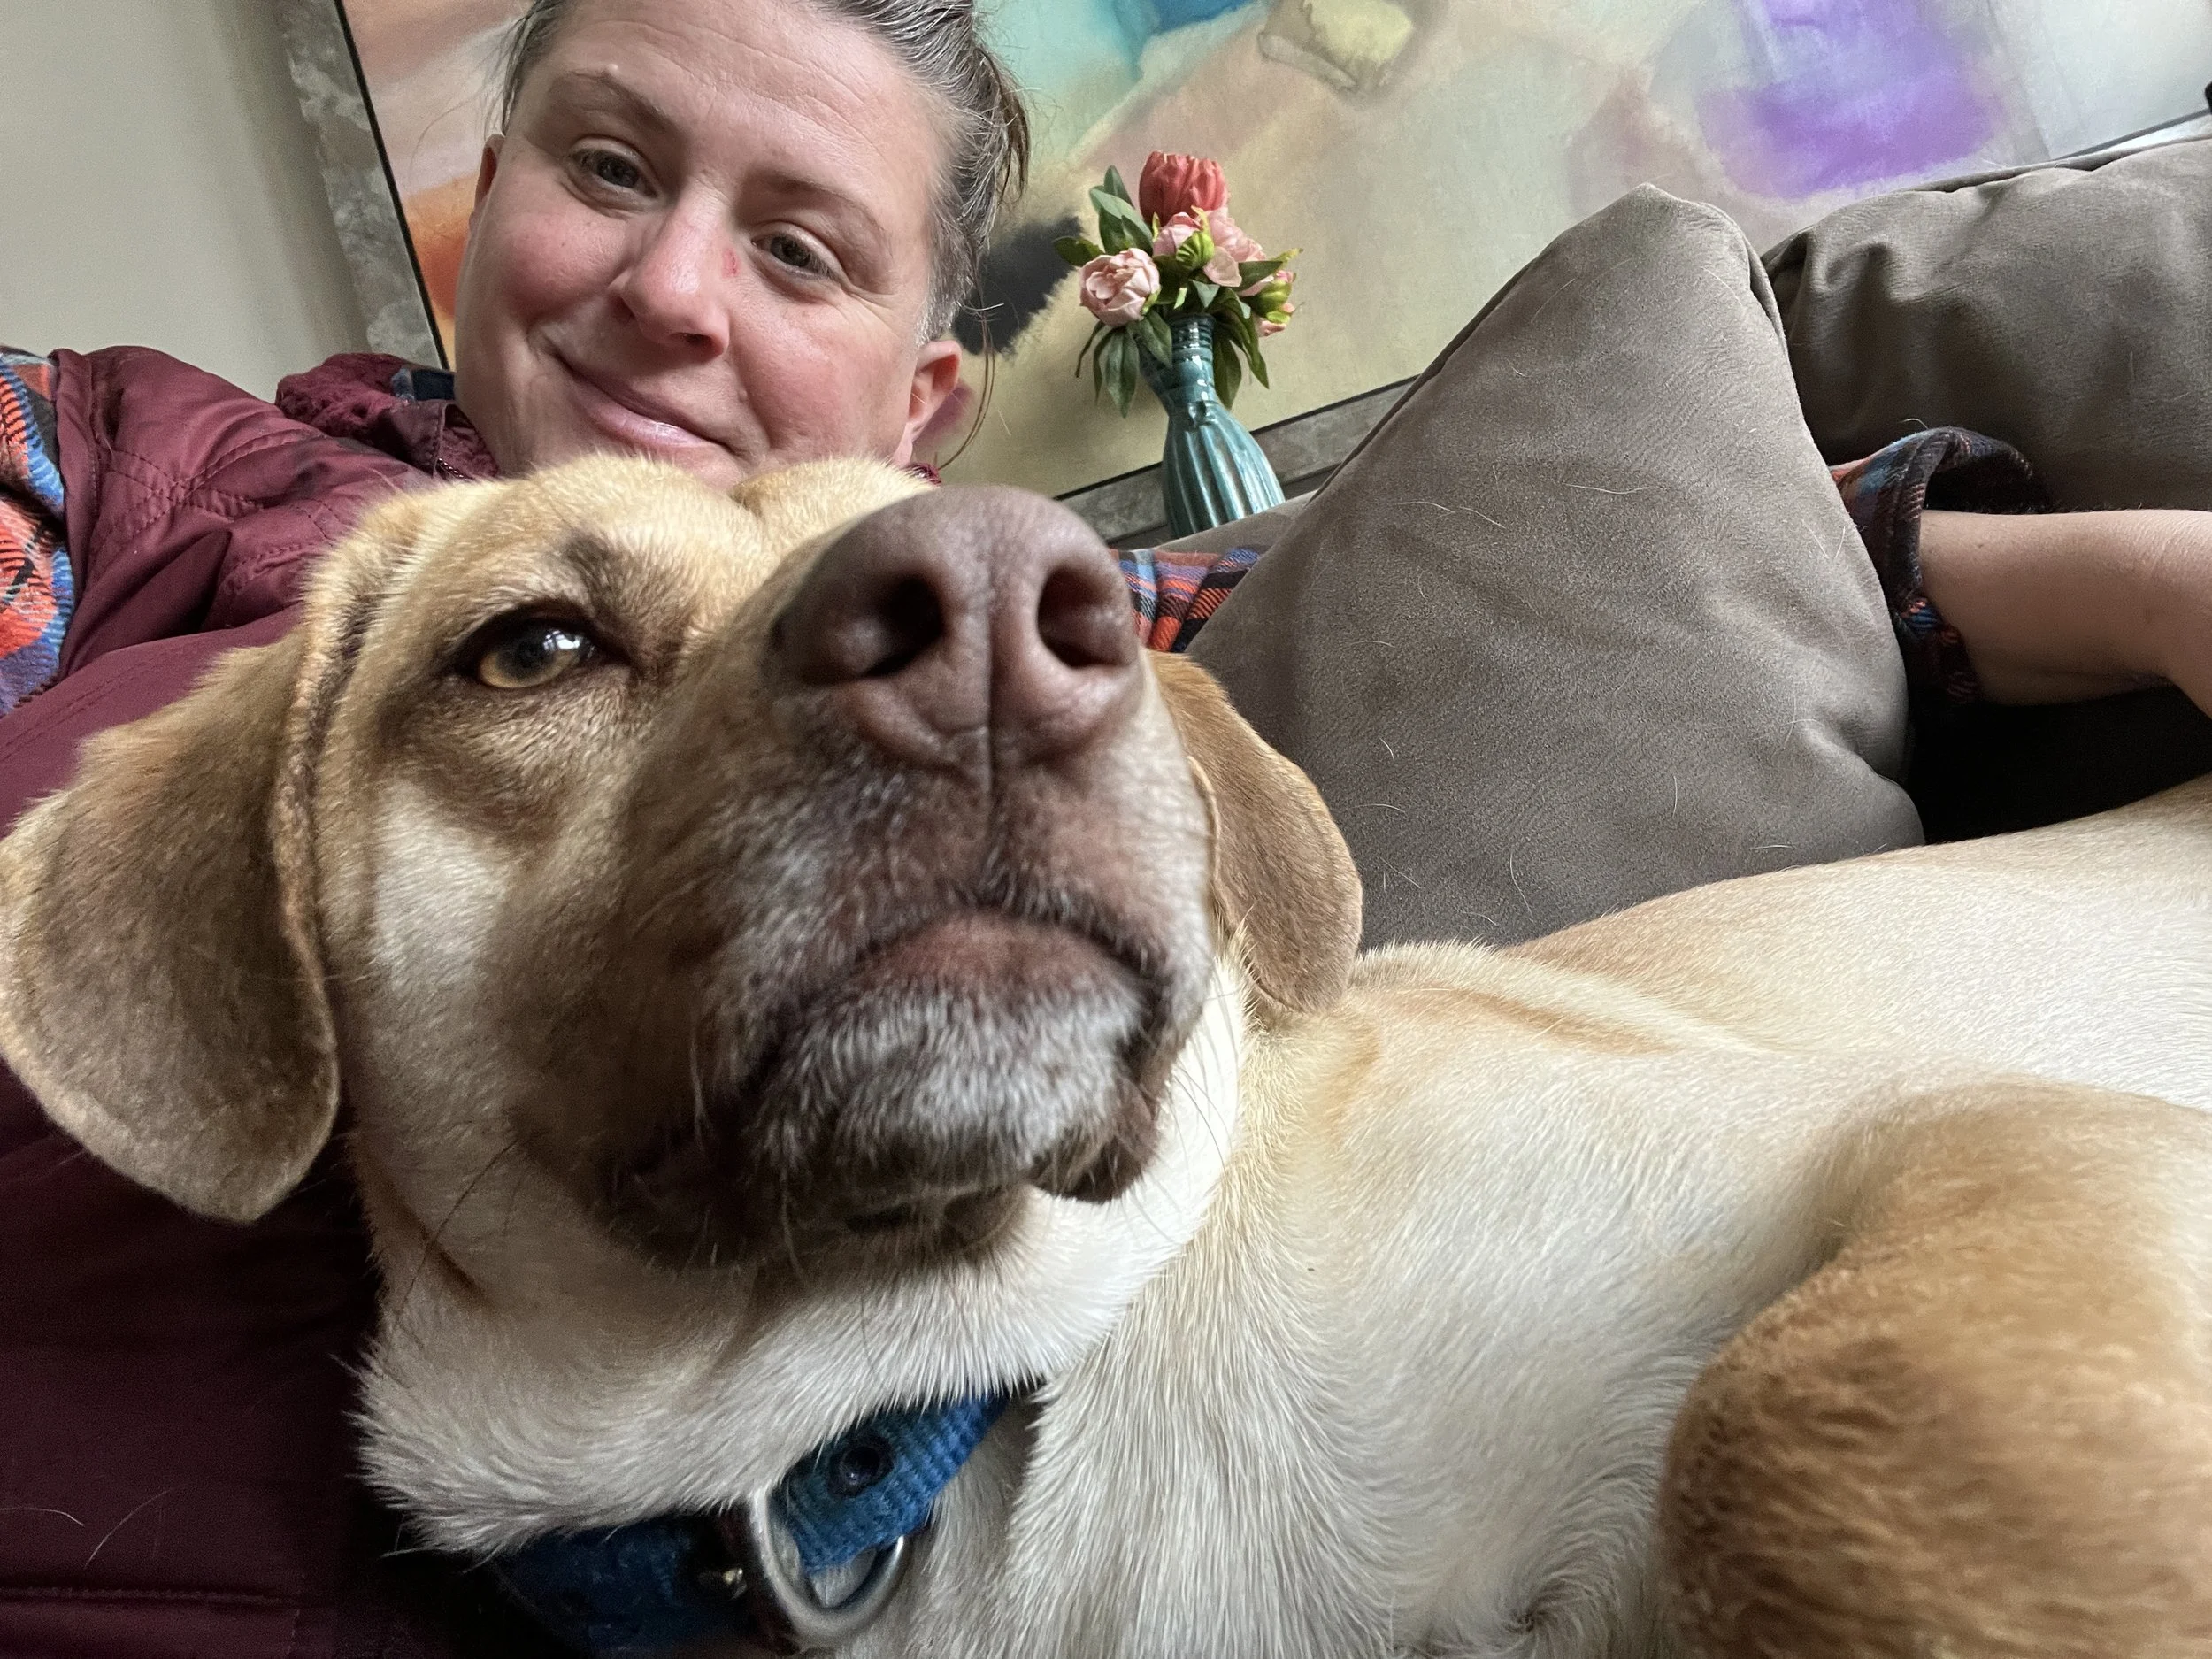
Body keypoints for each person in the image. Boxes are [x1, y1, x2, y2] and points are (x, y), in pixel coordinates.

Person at [0, 3, 2205, 1655]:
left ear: (918, 398)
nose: (677, 293)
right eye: (603, 164)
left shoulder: (1039, 625)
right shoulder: (119, 469)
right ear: (483, 210)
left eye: (795, 245)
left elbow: (1592, 544)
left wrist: (2115, 581)